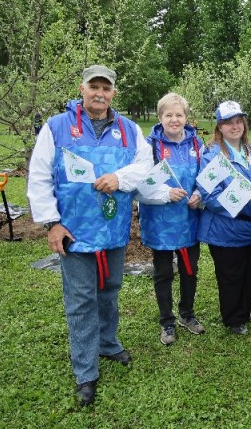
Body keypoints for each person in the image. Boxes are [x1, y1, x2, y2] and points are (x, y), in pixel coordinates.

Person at [27, 65, 151, 406]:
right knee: (81, 299)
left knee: (110, 290)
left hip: (113, 229)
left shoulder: (128, 129)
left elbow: (144, 164)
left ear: (113, 93)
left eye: (106, 88)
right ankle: (85, 370)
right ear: (82, 89)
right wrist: (51, 223)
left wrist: (120, 178)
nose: (99, 93)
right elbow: (39, 176)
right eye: (93, 86)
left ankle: (108, 344)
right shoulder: (57, 127)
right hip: (74, 231)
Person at [197, 101, 251, 335]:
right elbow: (207, 195)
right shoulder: (212, 156)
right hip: (226, 229)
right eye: (228, 122)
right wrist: (239, 198)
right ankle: (233, 318)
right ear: (219, 127)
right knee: (232, 276)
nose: (235, 126)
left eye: (238, 121)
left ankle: (244, 309)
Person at [136, 93, 206, 346]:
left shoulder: (197, 145)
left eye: (179, 115)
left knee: (190, 270)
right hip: (160, 222)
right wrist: (166, 193)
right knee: (163, 272)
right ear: (160, 117)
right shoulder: (148, 146)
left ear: (186, 118)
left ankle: (187, 314)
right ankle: (166, 320)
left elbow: (206, 177)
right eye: (169, 115)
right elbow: (139, 185)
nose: (174, 120)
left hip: (189, 220)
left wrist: (199, 193)